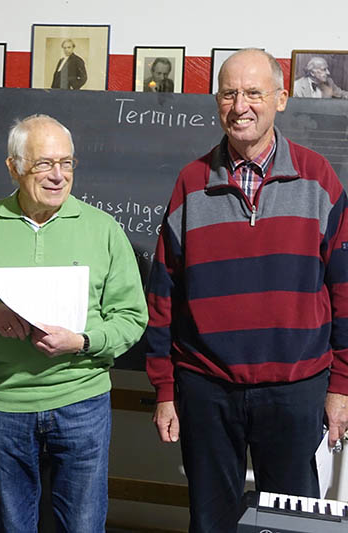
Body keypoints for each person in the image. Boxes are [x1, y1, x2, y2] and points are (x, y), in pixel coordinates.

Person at [147, 48, 348, 531]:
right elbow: (162, 295)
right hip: (206, 387)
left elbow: (345, 289)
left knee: (294, 525)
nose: (241, 106)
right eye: (230, 93)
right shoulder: (191, 183)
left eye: (254, 93)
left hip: (297, 391)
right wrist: (164, 388)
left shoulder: (319, 178)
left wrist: (342, 385)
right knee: (211, 522)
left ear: (281, 98)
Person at [0, 114, 148, 532]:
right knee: (14, 525)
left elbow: (132, 317)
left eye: (66, 163)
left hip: (82, 402)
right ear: (13, 167)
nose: (58, 176)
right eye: (43, 165)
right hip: (5, 403)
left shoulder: (103, 229)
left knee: (84, 526)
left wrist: (83, 340)